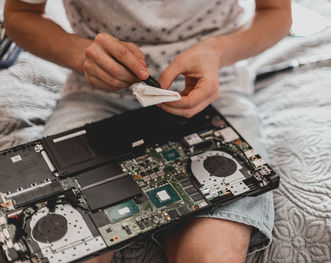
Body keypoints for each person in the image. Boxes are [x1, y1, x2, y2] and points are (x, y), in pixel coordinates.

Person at [4, 0, 291, 262]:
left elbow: (276, 12)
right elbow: (19, 14)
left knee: (212, 253)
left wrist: (218, 51)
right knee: (66, 247)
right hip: (95, 94)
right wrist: (81, 55)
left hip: (214, 91)